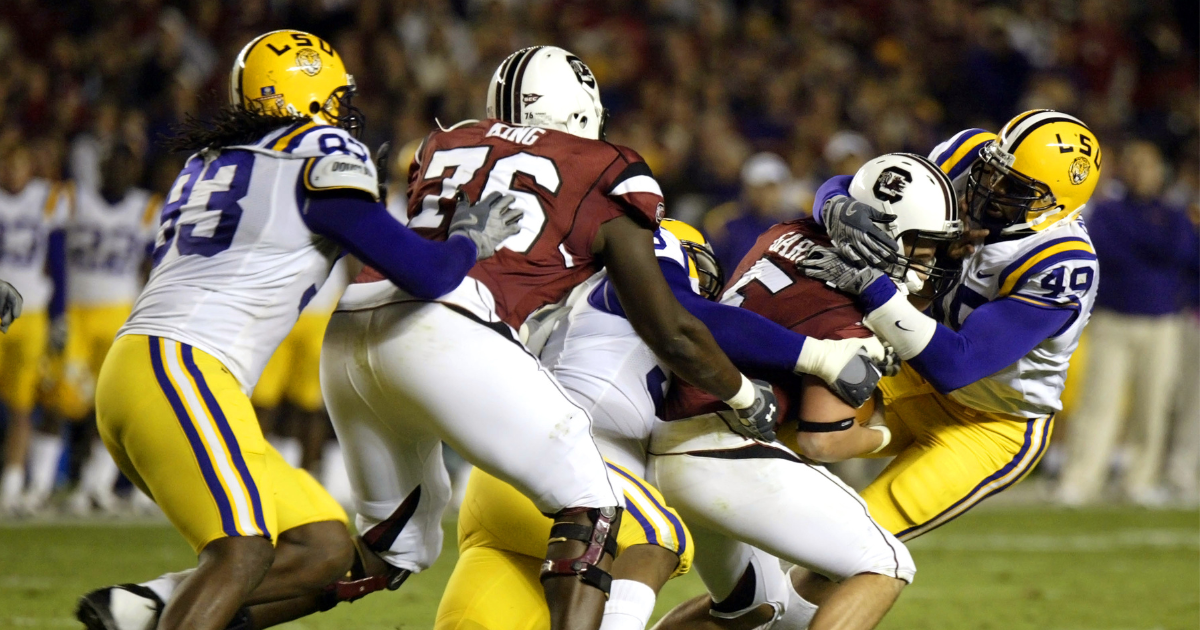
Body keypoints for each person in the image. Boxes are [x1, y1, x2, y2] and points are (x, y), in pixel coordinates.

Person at [75, 30, 521, 630]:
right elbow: (426, 273)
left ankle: (147, 609)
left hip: (153, 371)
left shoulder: (215, 161)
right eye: (335, 98)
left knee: (322, 549)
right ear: (307, 96)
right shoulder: (318, 153)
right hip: (182, 367)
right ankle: (159, 610)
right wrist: (468, 237)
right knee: (243, 551)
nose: (343, 113)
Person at [322, 46, 779, 630]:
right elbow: (670, 327)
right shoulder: (607, 166)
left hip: (351, 330)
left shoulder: (443, 144)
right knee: (638, 526)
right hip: (458, 337)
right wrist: (743, 395)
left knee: (387, 551)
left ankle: (186, 603)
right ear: (581, 109)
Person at [436, 218, 884, 630]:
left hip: (499, 485)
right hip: (568, 462)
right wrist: (814, 357)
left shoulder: (581, 302)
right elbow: (689, 321)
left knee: (757, 603)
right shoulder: (639, 276)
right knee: (658, 537)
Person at [793, 111, 1102, 614]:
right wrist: (836, 207)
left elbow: (958, 364)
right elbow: (858, 186)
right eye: (994, 169)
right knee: (755, 436)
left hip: (990, 425)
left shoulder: (1061, 262)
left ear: (1052, 206)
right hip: (905, 369)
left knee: (846, 547)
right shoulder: (969, 155)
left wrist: (870, 287)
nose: (990, 185)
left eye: (1013, 186)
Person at [652, 153, 961, 630]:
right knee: (885, 564)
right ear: (883, 231)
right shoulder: (848, 317)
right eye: (922, 244)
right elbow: (823, 440)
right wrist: (889, 433)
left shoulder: (786, 233)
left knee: (755, 609)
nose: (929, 258)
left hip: (670, 439)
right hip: (724, 450)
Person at [1055, 140, 1198, 506]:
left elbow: (1182, 252)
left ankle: (1140, 480)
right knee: (1098, 404)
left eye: (1146, 164)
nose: (1139, 171)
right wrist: (1153, 248)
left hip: (1163, 323)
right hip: (1113, 320)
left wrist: (1145, 247)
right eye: (1132, 163)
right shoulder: (1107, 211)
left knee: (1153, 406)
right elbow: (1108, 251)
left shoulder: (1175, 213)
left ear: (1158, 170)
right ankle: (1080, 480)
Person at [28, 143, 162, 515]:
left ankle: (95, 486)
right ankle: (39, 486)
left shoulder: (147, 208)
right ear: (100, 168)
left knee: (110, 405)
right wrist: (55, 310)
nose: (118, 173)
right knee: (60, 400)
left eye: (126, 167)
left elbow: (156, 266)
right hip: (76, 314)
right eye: (112, 166)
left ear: (135, 172)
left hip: (120, 316)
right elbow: (52, 251)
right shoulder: (74, 198)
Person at [0, 143, 68, 515]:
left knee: (23, 404)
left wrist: (60, 315)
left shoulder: (48, 199)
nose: (12, 173)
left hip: (31, 314)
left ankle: (11, 485)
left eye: (19, 164)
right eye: (7, 165)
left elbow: (57, 263)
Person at [706, 152, 794, 276]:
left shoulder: (798, 226)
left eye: (770, 187)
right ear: (747, 189)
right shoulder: (730, 227)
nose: (764, 195)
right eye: (758, 188)